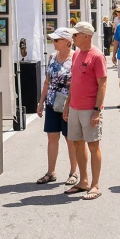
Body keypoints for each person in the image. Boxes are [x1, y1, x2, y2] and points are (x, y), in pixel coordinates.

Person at [63, 22, 108, 201]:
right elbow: (74, 82)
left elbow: (102, 84)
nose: (72, 38)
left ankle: (95, 184)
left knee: (93, 144)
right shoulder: (76, 55)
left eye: (75, 35)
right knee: (77, 144)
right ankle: (83, 180)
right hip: (75, 107)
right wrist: (67, 104)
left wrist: (97, 110)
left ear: (86, 36)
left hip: (90, 108)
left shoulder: (97, 56)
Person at [36, 28, 79, 186]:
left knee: (70, 139)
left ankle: (73, 172)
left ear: (67, 42)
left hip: (69, 104)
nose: (53, 43)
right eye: (52, 40)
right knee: (52, 137)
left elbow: (78, 83)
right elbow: (47, 81)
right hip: (52, 103)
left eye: (56, 40)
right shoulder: (53, 57)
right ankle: (51, 172)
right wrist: (41, 103)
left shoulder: (76, 57)